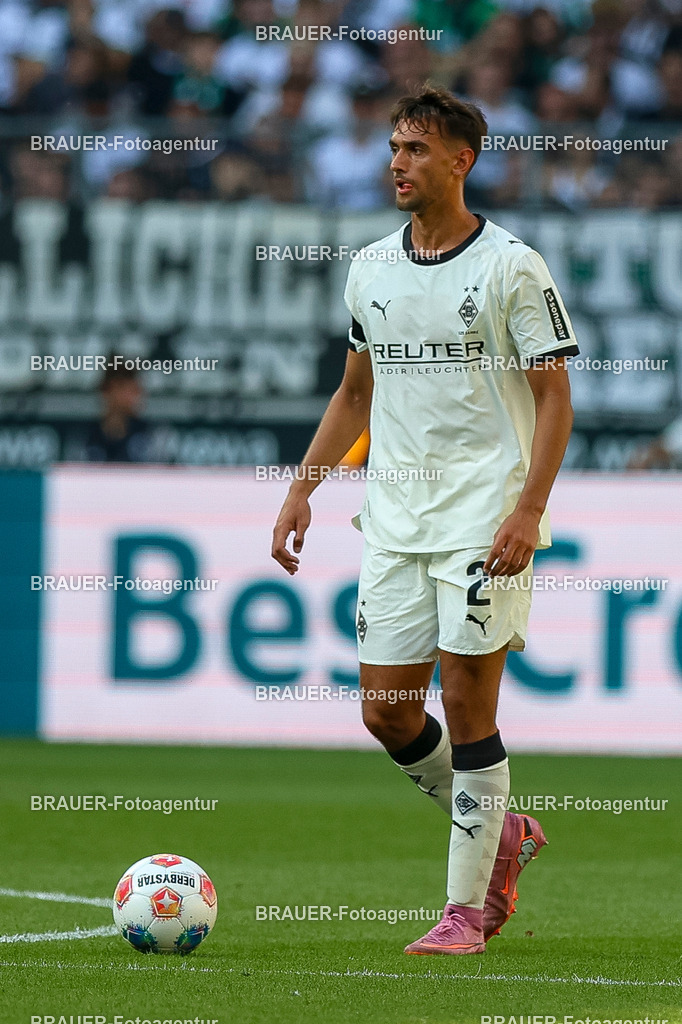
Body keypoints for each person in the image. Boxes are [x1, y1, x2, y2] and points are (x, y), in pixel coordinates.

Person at [271, 84, 578, 956]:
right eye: (393, 148)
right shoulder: (370, 267)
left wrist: (528, 509)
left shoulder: (512, 266)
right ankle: (503, 834)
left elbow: (555, 397)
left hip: (483, 519)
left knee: (467, 704)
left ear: (460, 160)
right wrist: (302, 488)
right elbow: (354, 391)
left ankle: (463, 913)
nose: (397, 163)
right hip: (395, 520)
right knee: (387, 714)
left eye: (414, 149)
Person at [86, 362, 150, 463]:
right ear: (113, 388)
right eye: (133, 389)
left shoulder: (148, 434)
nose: (139, 395)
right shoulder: (84, 435)